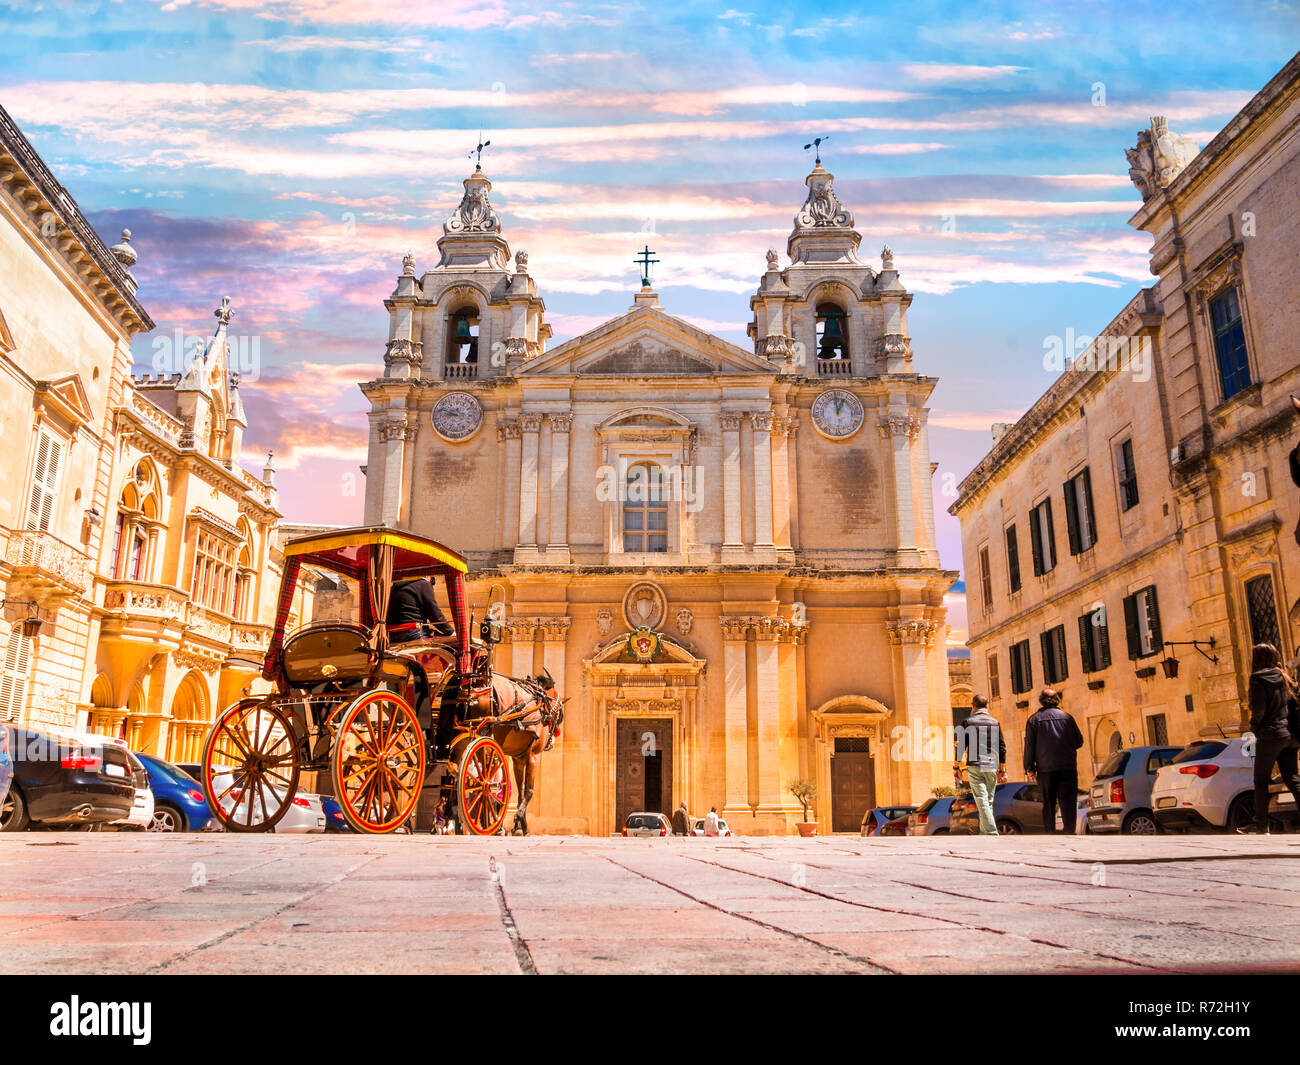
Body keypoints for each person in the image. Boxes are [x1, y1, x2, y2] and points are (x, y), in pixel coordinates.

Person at [1240, 642, 1300, 834]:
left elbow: (1259, 710)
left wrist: (1253, 729)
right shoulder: (1285, 678)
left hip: (1270, 734)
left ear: (1257, 659)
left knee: (1260, 780)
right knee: (1292, 778)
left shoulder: (1257, 679)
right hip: (1289, 736)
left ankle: (1260, 825)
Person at [1023, 687, 1083, 833]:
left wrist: (1029, 767)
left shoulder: (1033, 720)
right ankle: (1069, 830)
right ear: (1057, 700)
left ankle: (1050, 832)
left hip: (1045, 769)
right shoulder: (1067, 718)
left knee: (1048, 803)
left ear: (1041, 701)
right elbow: (1079, 742)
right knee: (1068, 802)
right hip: (1067, 767)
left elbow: (1029, 747)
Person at [957, 695, 1006, 835]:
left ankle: (991, 832)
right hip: (991, 764)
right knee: (988, 800)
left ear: (973, 706)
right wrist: (1002, 768)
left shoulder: (967, 722)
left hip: (974, 764)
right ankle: (984, 833)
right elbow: (1002, 747)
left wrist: (956, 766)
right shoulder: (995, 722)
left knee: (981, 799)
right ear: (986, 706)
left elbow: (961, 746)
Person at [386, 576, 453, 643]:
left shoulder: (394, 587)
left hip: (392, 635)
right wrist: (450, 632)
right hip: (414, 633)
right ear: (428, 576)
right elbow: (434, 614)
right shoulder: (423, 584)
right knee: (451, 643)